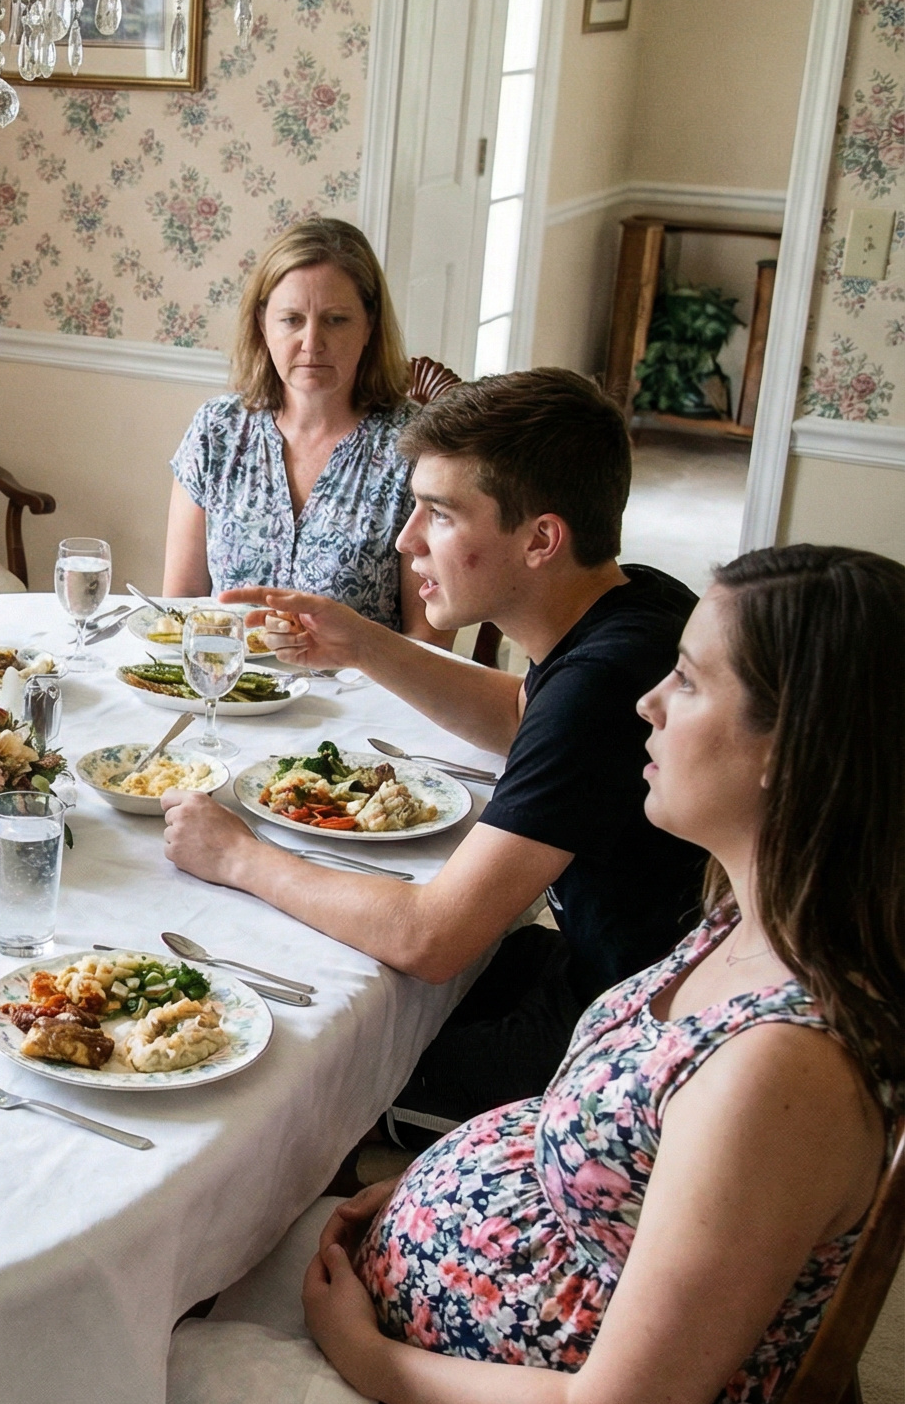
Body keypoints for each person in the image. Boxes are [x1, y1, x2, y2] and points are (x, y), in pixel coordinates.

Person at [0, 544, 902, 1404]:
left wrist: (362, 1355)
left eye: (690, 684)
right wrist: (449, 1182)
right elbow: (620, 1164)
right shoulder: (752, 917)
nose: (645, 701)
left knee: (33, 1362)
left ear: (789, 750)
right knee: (146, 1242)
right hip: (455, 1326)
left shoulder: (781, 1068)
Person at [161, 368, 705, 1137]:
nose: (404, 539)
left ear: (542, 539)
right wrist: (363, 644)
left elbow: (430, 938)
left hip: (626, 1048)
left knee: (291, 1068)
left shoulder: (602, 683)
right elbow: (526, 717)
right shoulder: (632, 602)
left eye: (439, 515)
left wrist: (237, 857)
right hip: (626, 974)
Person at [162, 217, 446, 642]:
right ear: (263, 324)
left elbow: (429, 638)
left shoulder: (413, 449)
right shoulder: (216, 431)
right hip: (226, 691)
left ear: (369, 324)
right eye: (292, 319)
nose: (312, 343)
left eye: (336, 320)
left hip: (360, 701)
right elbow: (182, 604)